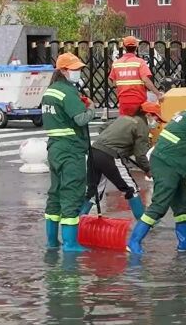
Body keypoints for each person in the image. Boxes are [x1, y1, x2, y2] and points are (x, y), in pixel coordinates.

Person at [126, 86, 186, 255]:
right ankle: (133, 241)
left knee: (181, 205)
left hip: (172, 163)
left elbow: (184, 143)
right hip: (167, 165)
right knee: (159, 205)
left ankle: (185, 243)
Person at [42, 52, 96, 252]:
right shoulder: (67, 91)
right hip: (71, 150)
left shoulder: (50, 91)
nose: (78, 72)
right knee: (72, 194)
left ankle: (52, 241)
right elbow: (80, 119)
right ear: (63, 71)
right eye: (75, 69)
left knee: (55, 194)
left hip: (55, 148)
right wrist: (92, 108)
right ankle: (71, 244)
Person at [80, 102, 164, 220]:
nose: (157, 122)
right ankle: (144, 222)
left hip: (94, 151)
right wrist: (147, 169)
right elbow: (140, 154)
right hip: (109, 156)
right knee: (131, 189)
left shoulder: (124, 118)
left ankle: (77, 222)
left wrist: (113, 140)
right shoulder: (142, 126)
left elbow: (102, 128)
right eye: (157, 118)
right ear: (148, 115)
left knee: (94, 191)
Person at [109, 36, 162, 116]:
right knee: (139, 124)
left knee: (126, 125)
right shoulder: (140, 62)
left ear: (124, 47)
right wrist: (158, 94)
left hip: (123, 101)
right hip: (139, 102)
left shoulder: (116, 64)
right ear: (136, 46)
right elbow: (146, 80)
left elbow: (114, 83)